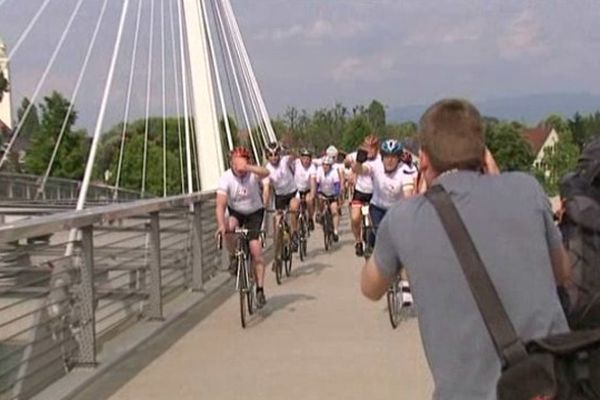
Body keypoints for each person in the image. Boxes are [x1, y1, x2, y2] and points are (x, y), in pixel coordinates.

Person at [361, 98, 571, 400]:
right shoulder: (527, 190)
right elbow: (563, 273)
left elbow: (370, 288)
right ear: (484, 153)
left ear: (423, 159)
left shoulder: (404, 219)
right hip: (551, 385)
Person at [216, 147, 270, 308]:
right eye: (235, 163)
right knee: (228, 227)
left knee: (256, 250)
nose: (238, 168)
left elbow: (266, 173)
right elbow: (220, 205)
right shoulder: (226, 178)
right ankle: (234, 256)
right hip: (236, 212)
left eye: (241, 162)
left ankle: (260, 289)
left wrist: (247, 167)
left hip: (254, 212)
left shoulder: (252, 173)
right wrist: (220, 225)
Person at [263, 141, 301, 262]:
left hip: (292, 192)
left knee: (294, 208)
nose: (274, 157)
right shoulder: (267, 169)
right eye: (270, 155)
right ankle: (278, 254)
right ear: (267, 157)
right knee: (277, 223)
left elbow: (294, 156)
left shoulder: (285, 161)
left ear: (279, 154)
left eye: (276, 154)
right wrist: (265, 204)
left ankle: (295, 234)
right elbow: (267, 189)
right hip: (279, 196)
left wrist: (289, 150)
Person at [346, 135, 380, 256]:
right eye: (367, 147)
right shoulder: (358, 155)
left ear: (377, 149)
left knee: (375, 222)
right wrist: (351, 165)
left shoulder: (380, 160)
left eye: (372, 148)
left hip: (374, 193)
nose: (369, 150)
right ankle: (358, 241)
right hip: (360, 192)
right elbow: (348, 160)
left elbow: (365, 169)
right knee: (355, 218)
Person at [316, 155, 341, 242]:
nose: (325, 167)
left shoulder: (334, 172)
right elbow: (317, 184)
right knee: (319, 200)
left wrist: (336, 193)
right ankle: (319, 213)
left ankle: (335, 231)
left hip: (332, 194)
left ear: (330, 166)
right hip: (322, 193)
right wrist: (317, 192)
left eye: (327, 165)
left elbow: (337, 184)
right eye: (324, 165)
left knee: (334, 211)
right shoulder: (319, 171)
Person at [294, 148, 317, 231]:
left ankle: (310, 218)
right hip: (296, 190)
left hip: (307, 189)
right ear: (300, 158)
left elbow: (313, 181)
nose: (306, 161)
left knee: (309, 200)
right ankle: (295, 229)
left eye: (308, 159)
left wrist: (312, 195)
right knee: (294, 207)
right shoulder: (296, 164)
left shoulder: (312, 167)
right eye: (304, 158)